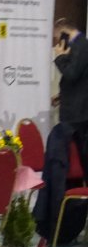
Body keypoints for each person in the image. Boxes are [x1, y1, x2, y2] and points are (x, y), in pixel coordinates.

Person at [53, 18, 88, 169]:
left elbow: (72, 74)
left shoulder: (81, 45)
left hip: (77, 113)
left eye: (58, 37)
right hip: (74, 108)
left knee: (69, 153)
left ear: (64, 33)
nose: (58, 41)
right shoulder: (78, 45)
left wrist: (60, 57)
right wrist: (61, 96)